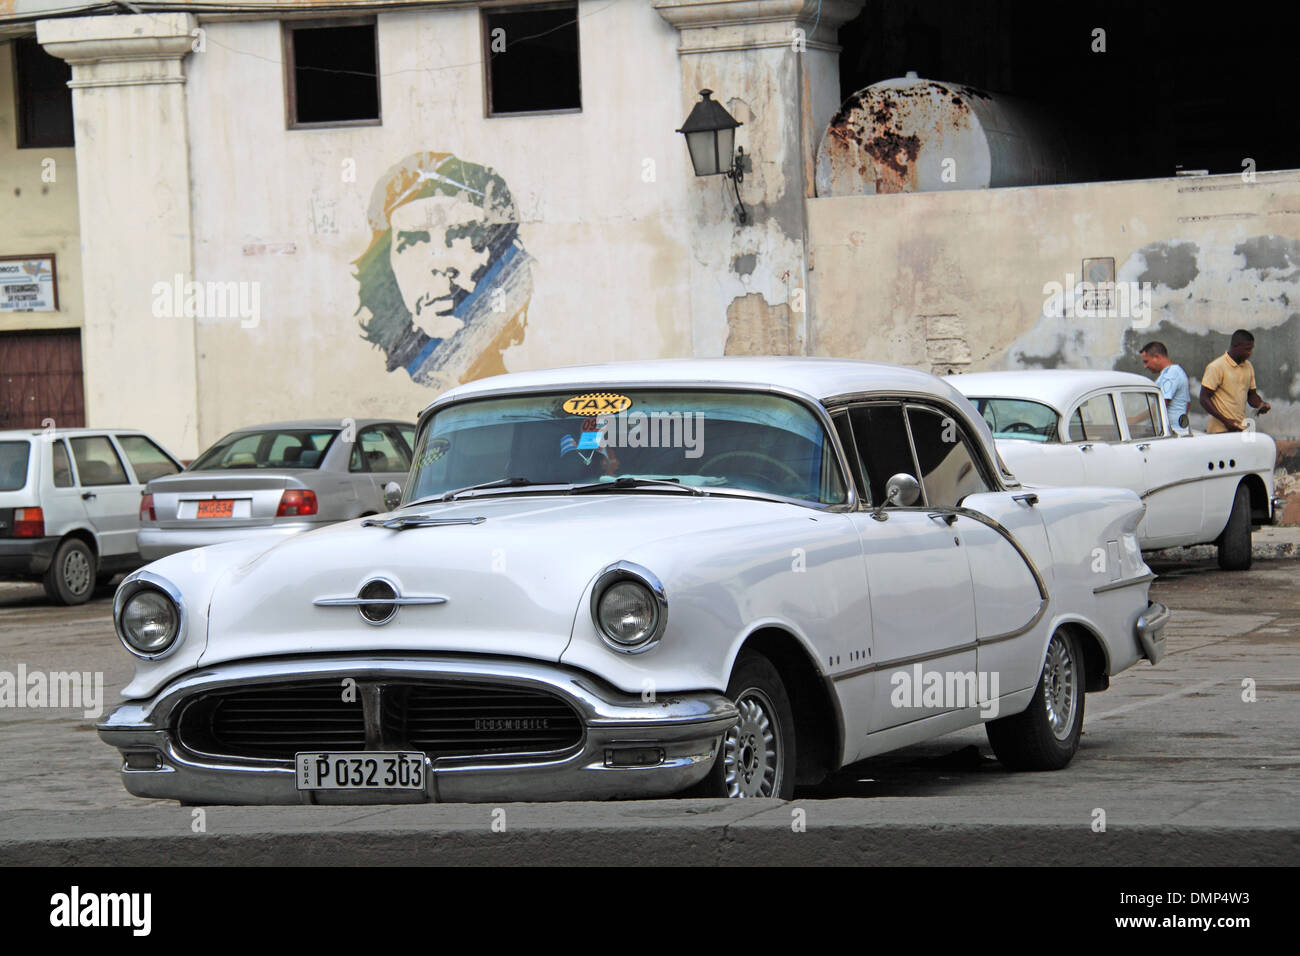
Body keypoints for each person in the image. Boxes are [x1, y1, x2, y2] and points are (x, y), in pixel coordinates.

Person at [1199, 330, 1271, 433]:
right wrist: (1225, 421)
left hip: (1239, 429)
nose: (1250, 353)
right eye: (1247, 349)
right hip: (1219, 431)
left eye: (1251, 349)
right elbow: (1204, 398)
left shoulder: (1248, 366)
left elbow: (1251, 396)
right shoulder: (1216, 367)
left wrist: (1261, 404)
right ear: (1235, 346)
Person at [1139, 341, 1190, 434]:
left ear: (1157, 357)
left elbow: (1161, 403)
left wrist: (1134, 420)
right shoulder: (1168, 373)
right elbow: (1187, 404)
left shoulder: (1171, 374)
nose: (1145, 366)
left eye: (1146, 361)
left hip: (1173, 433)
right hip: (1172, 431)